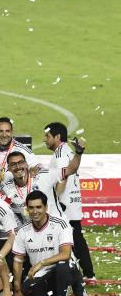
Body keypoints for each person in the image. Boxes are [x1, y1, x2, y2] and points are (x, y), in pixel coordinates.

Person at [12, 190, 89, 296]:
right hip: (41, 273)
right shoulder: (23, 231)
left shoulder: (60, 224)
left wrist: (41, 263)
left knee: (63, 266)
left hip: (63, 268)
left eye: (38, 207)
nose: (34, 211)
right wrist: (17, 289)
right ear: (27, 209)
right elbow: (18, 261)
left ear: (46, 207)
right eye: (31, 208)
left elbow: (65, 254)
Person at [45, 122, 95, 284]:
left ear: (57, 137)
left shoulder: (60, 155)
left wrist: (54, 202)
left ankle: (85, 274)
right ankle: (87, 273)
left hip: (64, 206)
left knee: (70, 241)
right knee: (76, 239)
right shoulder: (67, 151)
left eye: (48, 136)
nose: (45, 140)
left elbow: (62, 178)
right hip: (73, 203)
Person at [0, 149, 81, 225]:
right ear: (9, 168)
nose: (18, 167)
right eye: (13, 164)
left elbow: (70, 170)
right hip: (32, 233)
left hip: (56, 227)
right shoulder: (7, 189)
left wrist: (78, 153)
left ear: (26, 164)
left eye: (21, 162)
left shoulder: (44, 175)